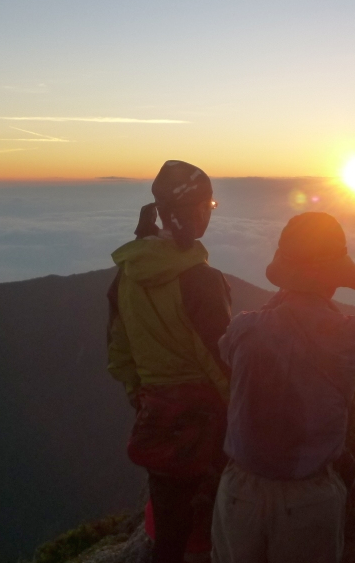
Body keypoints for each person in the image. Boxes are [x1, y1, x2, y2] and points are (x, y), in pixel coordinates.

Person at [211, 211, 355, 563]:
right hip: (306, 500)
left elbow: (227, 350)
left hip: (238, 494)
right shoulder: (345, 336)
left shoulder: (244, 330)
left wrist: (288, 292)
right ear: (335, 276)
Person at [107, 160, 232, 563]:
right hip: (206, 425)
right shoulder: (201, 281)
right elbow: (219, 361)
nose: (208, 213)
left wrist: (140, 394)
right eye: (209, 205)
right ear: (195, 212)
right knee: (208, 527)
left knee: (168, 529)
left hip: (155, 417)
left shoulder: (127, 274)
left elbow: (119, 350)